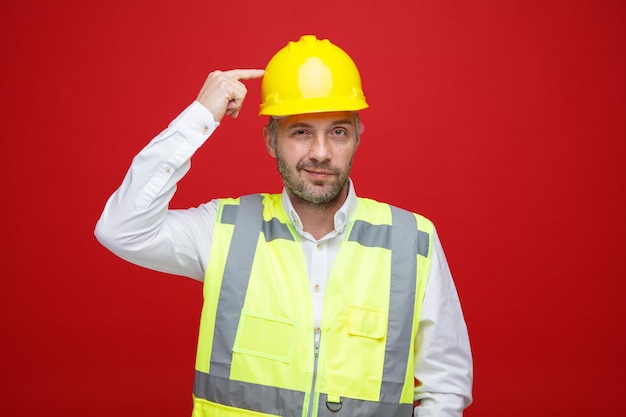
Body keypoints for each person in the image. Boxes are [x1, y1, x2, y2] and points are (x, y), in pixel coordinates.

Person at [95, 35, 473, 417]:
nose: (321, 153)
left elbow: (446, 385)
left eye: (338, 132)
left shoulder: (414, 241)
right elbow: (122, 228)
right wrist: (199, 117)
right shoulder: (224, 230)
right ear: (271, 140)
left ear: (358, 137)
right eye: (301, 131)